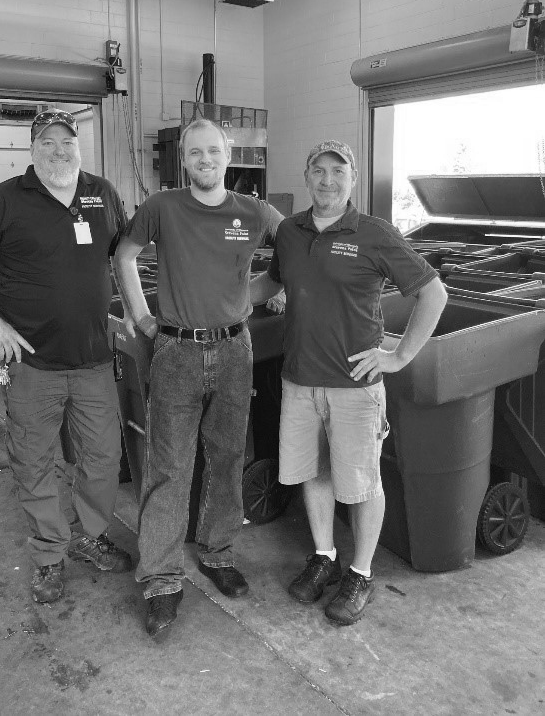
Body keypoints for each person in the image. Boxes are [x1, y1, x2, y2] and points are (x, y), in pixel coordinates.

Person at [0, 109, 133, 604]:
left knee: (103, 457)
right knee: (35, 460)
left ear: (78, 147)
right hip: (31, 365)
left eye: (67, 141)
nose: (59, 151)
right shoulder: (4, 200)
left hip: (92, 361)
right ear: (31, 148)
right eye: (48, 142)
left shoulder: (101, 193)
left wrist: (134, 312)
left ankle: (89, 535)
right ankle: (49, 555)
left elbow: (123, 254)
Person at [250, 140, 447, 625]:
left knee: (361, 483)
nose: (328, 181)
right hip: (298, 381)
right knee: (314, 473)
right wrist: (219, 296)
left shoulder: (374, 233)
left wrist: (398, 356)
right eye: (318, 170)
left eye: (338, 172)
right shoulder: (291, 233)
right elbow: (272, 284)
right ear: (306, 174)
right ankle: (324, 556)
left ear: (353, 179)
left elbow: (433, 293)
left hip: (354, 386)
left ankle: (361, 572)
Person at [115, 118, 283, 638]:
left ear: (227, 153)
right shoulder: (161, 207)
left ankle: (216, 549)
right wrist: (142, 318)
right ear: (182, 159)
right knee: (169, 466)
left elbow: (294, 252)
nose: (205, 160)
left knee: (228, 457)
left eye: (213, 151)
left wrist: (257, 291)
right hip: (177, 352)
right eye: (195, 153)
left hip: (235, 350)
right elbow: (122, 256)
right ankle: (162, 578)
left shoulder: (253, 210)